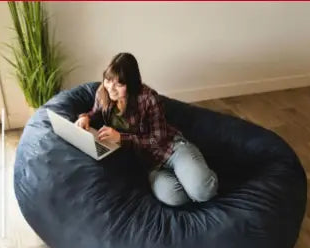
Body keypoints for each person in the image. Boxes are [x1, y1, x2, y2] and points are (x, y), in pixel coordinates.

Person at [75, 52, 218, 206]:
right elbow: (96, 113)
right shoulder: (103, 93)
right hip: (151, 166)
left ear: (131, 84)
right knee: (175, 198)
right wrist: (86, 117)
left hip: (171, 149)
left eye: (119, 84)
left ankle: (202, 176)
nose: (111, 88)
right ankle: (189, 177)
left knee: (203, 191)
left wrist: (121, 138)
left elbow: (158, 140)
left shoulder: (148, 98)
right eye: (108, 80)